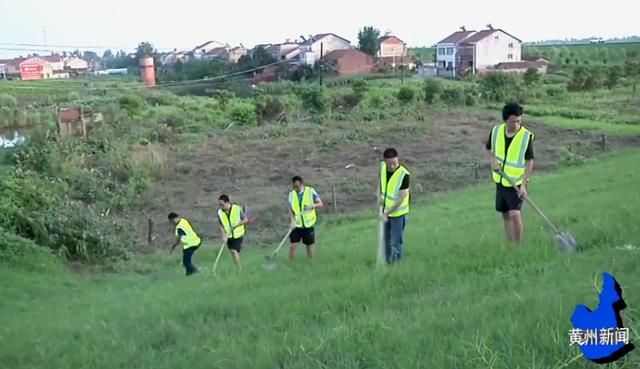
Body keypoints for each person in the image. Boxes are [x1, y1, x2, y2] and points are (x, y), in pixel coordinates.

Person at [484, 102, 535, 245]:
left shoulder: (525, 137)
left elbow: (529, 161)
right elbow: (488, 150)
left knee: (515, 214)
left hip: (516, 184)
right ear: (505, 120)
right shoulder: (496, 131)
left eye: (519, 120)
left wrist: (524, 185)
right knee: (505, 214)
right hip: (501, 181)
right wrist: (492, 160)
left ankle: (517, 246)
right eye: (513, 121)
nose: (516, 124)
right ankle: (509, 243)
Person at [377, 148, 411, 264]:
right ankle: (388, 261)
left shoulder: (404, 175)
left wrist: (386, 213)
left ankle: (398, 264)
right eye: (389, 164)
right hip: (385, 211)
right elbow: (380, 183)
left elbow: (401, 198)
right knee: (386, 239)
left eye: (394, 163)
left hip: (398, 214)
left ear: (398, 160)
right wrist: (378, 195)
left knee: (396, 241)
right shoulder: (382, 168)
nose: (391, 166)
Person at [288, 176, 323, 261]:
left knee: (309, 246)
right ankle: (292, 265)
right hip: (297, 225)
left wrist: (312, 206)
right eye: (294, 186)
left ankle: (311, 263)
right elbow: (291, 210)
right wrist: (292, 221)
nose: (295, 188)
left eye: (297, 186)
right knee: (293, 246)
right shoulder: (291, 195)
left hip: (308, 224)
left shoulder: (310, 191)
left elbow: (320, 203)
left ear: (302, 184)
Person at [217, 194, 249, 271]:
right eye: (219, 205)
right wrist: (223, 236)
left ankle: (239, 269)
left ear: (228, 203)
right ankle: (237, 267)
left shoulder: (237, 209)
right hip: (229, 236)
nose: (221, 207)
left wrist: (236, 225)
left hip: (239, 234)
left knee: (234, 251)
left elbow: (246, 220)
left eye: (222, 205)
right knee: (233, 253)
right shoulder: (220, 212)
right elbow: (221, 225)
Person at [168, 212, 202, 276]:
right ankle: (188, 274)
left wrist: (173, 246)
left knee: (186, 262)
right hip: (196, 241)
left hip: (190, 244)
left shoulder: (179, 227)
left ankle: (196, 272)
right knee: (186, 260)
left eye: (172, 221)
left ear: (174, 219)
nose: (172, 223)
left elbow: (178, 239)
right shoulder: (184, 220)